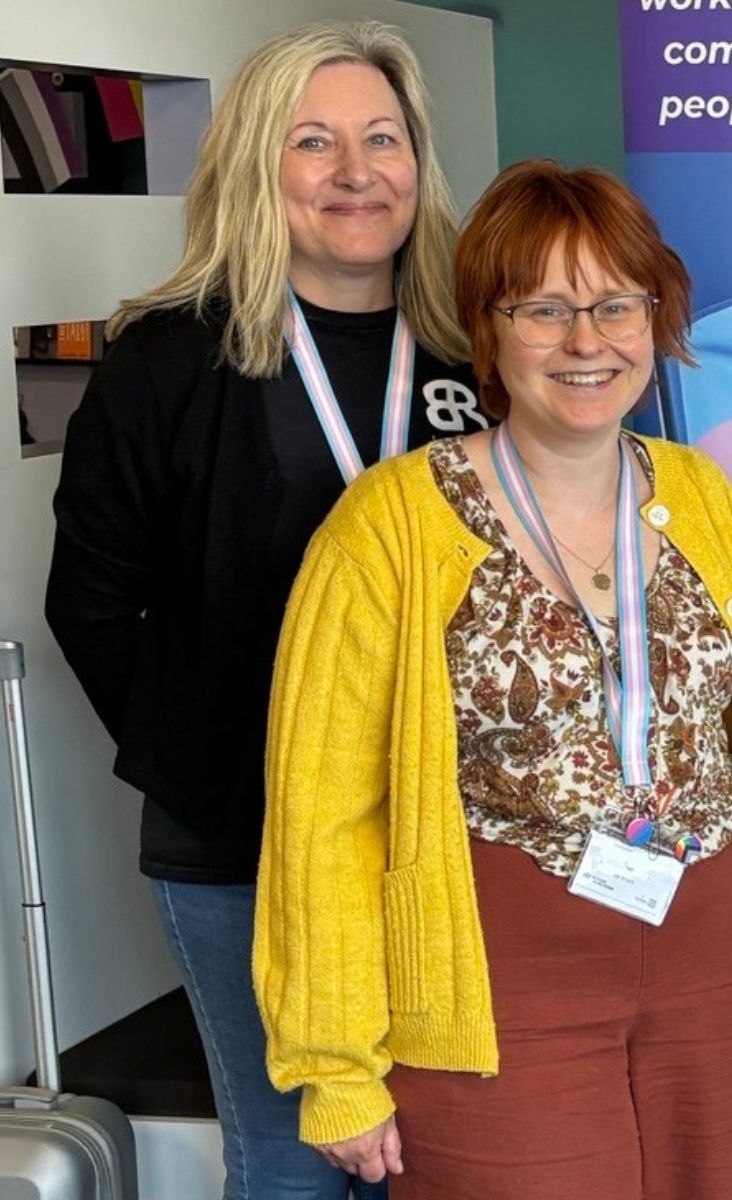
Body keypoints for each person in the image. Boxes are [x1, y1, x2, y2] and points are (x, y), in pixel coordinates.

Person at [252, 159, 732, 1199]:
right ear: (488, 332)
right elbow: (323, 815)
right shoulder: (389, 526)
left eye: (617, 304)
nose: (588, 342)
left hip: (723, 957)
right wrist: (334, 1064)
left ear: (656, 317)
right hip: (501, 981)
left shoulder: (700, 493)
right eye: (544, 309)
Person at [44, 21, 478, 1200]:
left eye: (382, 139)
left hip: (453, 842)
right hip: (246, 847)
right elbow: (91, 604)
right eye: (314, 142)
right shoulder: (167, 364)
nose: (356, 172)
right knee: (295, 1161)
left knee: (449, 1159)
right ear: (255, 163)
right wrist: (217, 767)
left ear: (418, 161)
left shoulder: (477, 348)